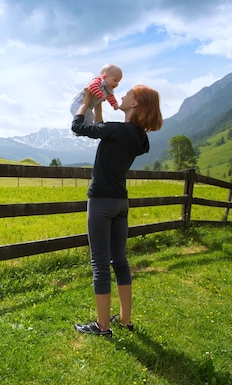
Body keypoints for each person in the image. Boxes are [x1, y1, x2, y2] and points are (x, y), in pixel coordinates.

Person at [71, 84, 163, 338]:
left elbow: (78, 127)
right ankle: (125, 320)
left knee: (100, 264)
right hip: (120, 203)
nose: (122, 96)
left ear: (135, 104)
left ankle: (103, 326)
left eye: (128, 94)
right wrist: (100, 104)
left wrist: (87, 100)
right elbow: (105, 133)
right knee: (120, 261)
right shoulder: (139, 138)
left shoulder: (118, 130)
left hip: (101, 202)